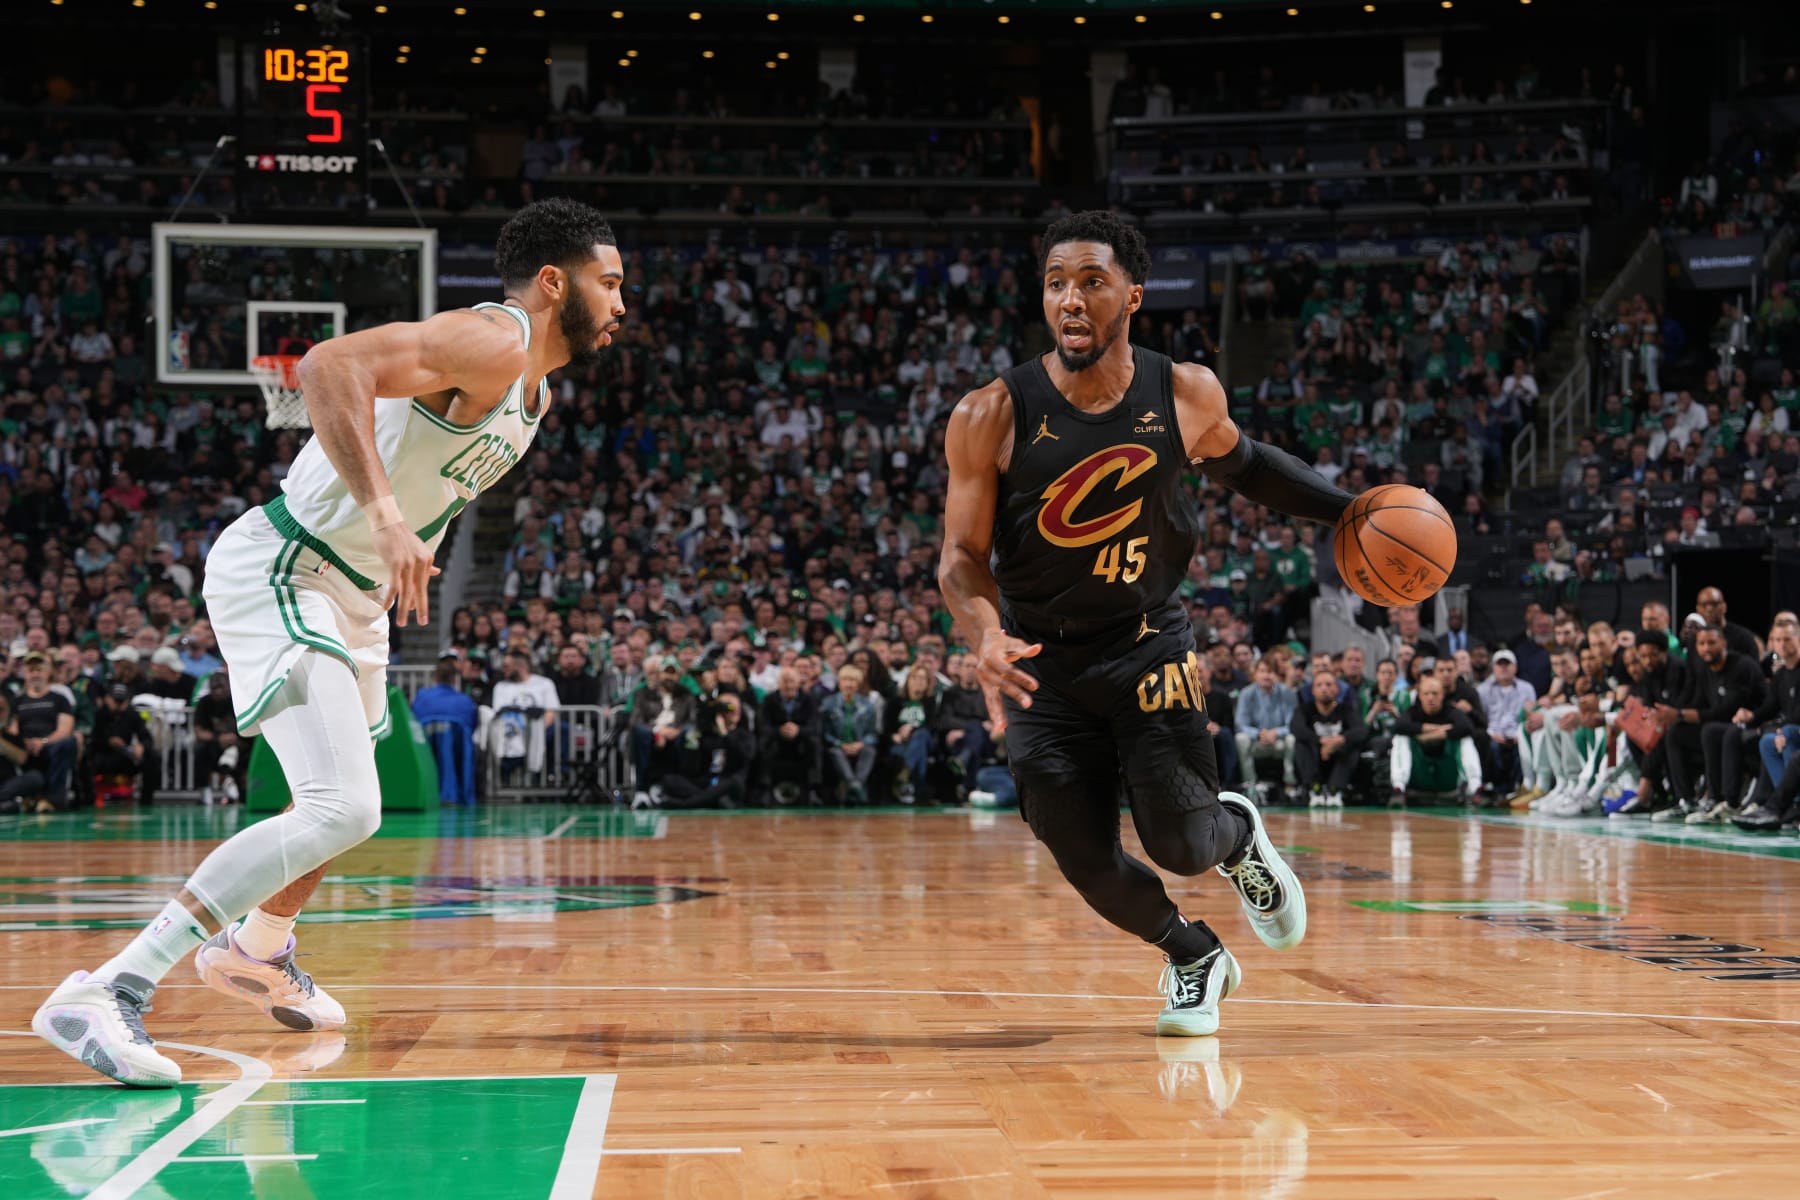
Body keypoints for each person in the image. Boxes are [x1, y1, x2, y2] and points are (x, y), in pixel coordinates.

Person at [33, 197, 626, 1085]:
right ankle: (109, 989)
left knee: (346, 801)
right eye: (608, 282)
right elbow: (325, 364)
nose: (620, 303)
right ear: (555, 282)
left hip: (350, 593)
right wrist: (388, 521)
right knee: (344, 805)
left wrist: (391, 548)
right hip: (288, 563)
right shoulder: (495, 339)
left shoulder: (532, 386)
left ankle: (258, 947)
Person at [939, 210, 1340, 1038]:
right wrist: (982, 632)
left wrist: (1348, 509)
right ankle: (1193, 954)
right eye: (1056, 284)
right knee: (1084, 859)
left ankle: (1235, 837)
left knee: (1182, 844)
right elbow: (958, 557)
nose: (1070, 301)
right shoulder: (990, 414)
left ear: (1133, 296)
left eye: (1091, 282)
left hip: (1146, 642)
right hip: (1037, 660)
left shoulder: (1185, 391)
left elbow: (1251, 467)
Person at [1391, 675, 1482, 803]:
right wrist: (1433, 728)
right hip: (1420, 775)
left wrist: (1432, 736)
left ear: (1442, 695)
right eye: (1426, 693)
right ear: (1420, 696)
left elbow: (1467, 727)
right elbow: (1398, 726)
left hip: (1447, 777)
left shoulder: (1449, 710)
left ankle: (1476, 789)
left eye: (1435, 693)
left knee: (1465, 738)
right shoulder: (1413, 712)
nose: (1430, 697)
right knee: (1400, 738)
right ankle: (1398, 789)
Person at [8, 651, 77, 813]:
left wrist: (43, 742)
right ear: (25, 674)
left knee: (69, 743)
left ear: (48, 672)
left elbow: (65, 729)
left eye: (39, 669)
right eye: (31, 671)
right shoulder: (17, 701)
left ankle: (52, 798)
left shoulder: (59, 699)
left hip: (51, 747)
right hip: (25, 749)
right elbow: (12, 729)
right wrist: (25, 742)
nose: (35, 674)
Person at [1290, 667, 1367, 807]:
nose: (1324, 689)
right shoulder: (1305, 709)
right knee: (1301, 743)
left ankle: (1335, 790)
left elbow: (1361, 730)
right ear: (1312, 690)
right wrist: (1321, 741)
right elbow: (1296, 728)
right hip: (1314, 759)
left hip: (1338, 759)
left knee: (1353, 744)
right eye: (1319, 685)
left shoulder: (1346, 710)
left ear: (1337, 689)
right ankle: (1315, 789)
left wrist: (1340, 740)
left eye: (1329, 684)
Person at [820, 663, 880, 805]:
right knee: (836, 753)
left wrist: (861, 743)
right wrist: (840, 744)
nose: (849, 684)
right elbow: (824, 732)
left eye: (853, 681)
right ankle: (856, 786)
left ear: (858, 684)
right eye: (846, 680)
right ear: (839, 682)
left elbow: (872, 733)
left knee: (869, 751)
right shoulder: (828, 704)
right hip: (837, 745)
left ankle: (854, 785)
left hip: (859, 745)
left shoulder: (868, 706)